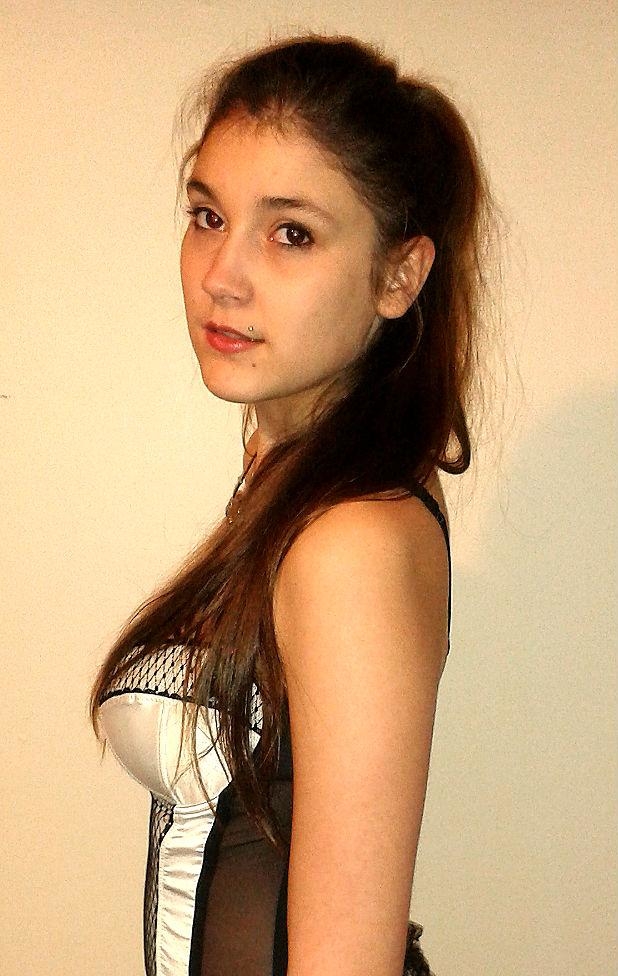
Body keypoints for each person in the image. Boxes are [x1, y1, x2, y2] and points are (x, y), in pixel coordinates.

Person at [91, 34, 493, 976]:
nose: (221, 275)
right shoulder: (294, 483)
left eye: (291, 233)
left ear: (399, 276)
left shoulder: (351, 539)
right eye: (207, 215)